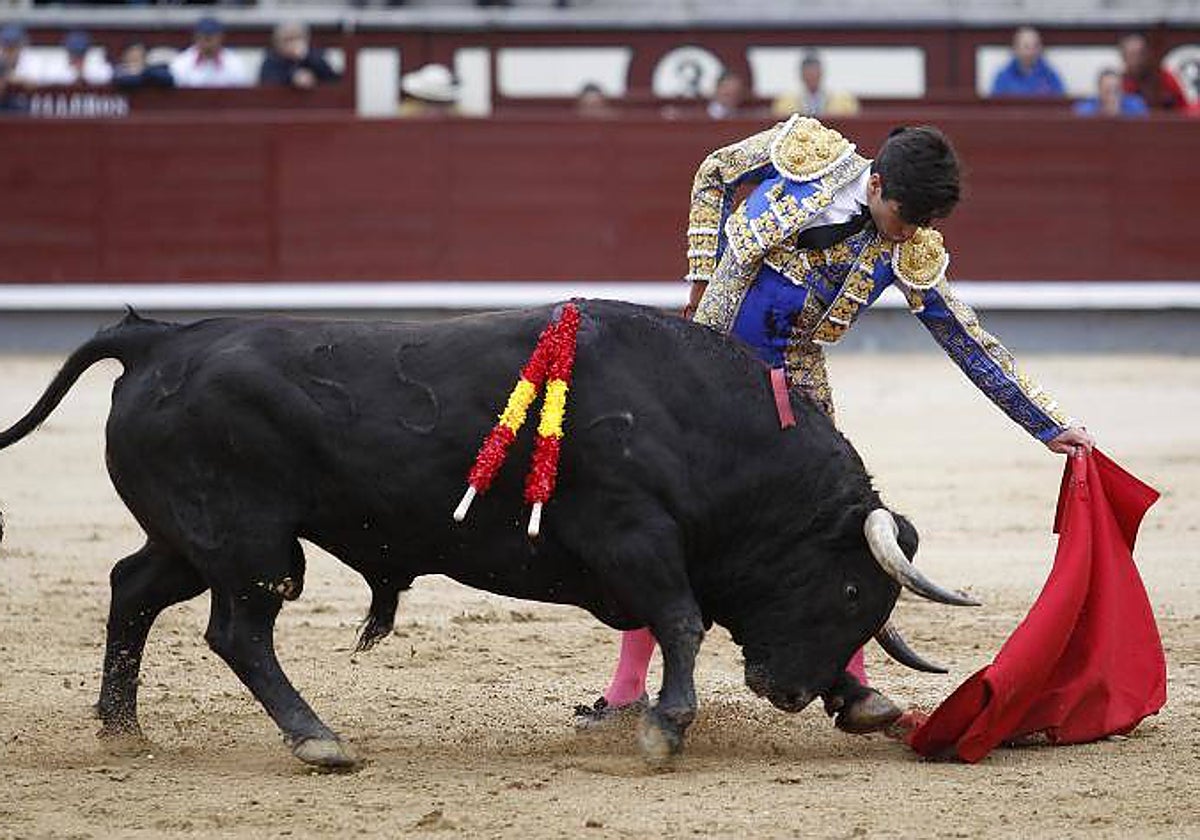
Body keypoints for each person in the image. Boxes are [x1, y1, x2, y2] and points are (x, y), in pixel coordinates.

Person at [575, 117, 1095, 734]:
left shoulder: (911, 245)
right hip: (703, 364)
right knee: (666, 516)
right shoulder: (808, 153)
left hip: (795, 383)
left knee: (832, 530)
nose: (909, 235)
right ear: (875, 184)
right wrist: (700, 276)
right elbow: (715, 172)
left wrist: (1046, 424)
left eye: (923, 226)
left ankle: (854, 689)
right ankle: (627, 688)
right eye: (904, 218)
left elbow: (964, 336)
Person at [169, 16, 251, 89]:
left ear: (220, 38)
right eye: (201, 38)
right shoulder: (181, 63)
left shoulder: (234, 63)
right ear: (195, 38)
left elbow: (242, 93)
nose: (206, 43)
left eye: (210, 38)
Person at [771, 51, 859, 117]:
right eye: (808, 74)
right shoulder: (785, 101)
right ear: (801, 75)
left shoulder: (844, 100)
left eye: (815, 74)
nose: (812, 78)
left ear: (821, 74)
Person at [259, 21, 340, 89]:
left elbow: (331, 78)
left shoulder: (315, 56)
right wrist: (293, 77)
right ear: (278, 43)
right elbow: (268, 81)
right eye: (288, 40)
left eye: (297, 38)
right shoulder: (271, 59)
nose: (293, 44)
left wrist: (306, 56)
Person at [989, 26, 1065, 97]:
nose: (1030, 52)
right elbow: (995, 106)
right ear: (1016, 49)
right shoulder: (1003, 77)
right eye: (1026, 47)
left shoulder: (1050, 75)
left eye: (1035, 46)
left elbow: (1061, 103)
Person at [1119, 32, 1186, 111]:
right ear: (1123, 57)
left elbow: (1183, 108)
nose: (1136, 60)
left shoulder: (1164, 78)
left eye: (1140, 54)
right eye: (1131, 55)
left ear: (1147, 55)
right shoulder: (1119, 83)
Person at [39, 29, 112, 87]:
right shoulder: (56, 71)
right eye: (73, 53)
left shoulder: (101, 69)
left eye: (80, 54)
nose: (76, 58)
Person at [1074, 68, 1148, 117]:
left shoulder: (1135, 105)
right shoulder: (1086, 109)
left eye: (1116, 90)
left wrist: (1119, 114)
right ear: (1099, 91)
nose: (1112, 96)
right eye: (1107, 91)